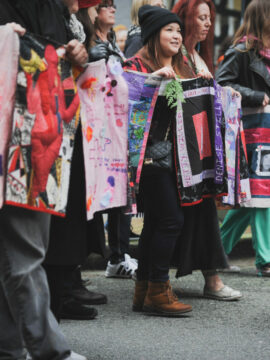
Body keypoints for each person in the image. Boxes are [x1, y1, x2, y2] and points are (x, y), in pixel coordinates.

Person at [0, 0, 89, 359]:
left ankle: (10, 345)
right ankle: (50, 350)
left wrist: (79, 55)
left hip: (38, 143)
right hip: (20, 141)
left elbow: (72, 70)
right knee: (24, 254)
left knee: (17, 254)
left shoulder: (53, 9)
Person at [124, 5, 198, 317]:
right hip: (145, 161)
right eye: (170, 30)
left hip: (172, 161)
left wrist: (203, 84)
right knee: (171, 220)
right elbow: (121, 97)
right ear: (154, 35)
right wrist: (151, 79)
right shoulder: (135, 65)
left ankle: (143, 289)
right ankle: (158, 288)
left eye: (179, 31)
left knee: (156, 221)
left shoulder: (183, 67)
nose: (177, 36)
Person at [167, 0, 243, 299]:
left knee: (199, 212)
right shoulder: (177, 53)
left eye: (209, 17)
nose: (208, 23)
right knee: (179, 215)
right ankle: (165, 280)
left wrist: (226, 93)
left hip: (199, 152)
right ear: (186, 19)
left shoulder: (196, 54)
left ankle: (205, 279)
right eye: (201, 17)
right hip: (180, 153)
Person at [44, 0, 108, 323]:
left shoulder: (72, 20)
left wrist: (80, 58)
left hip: (73, 123)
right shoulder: (45, 13)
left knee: (69, 213)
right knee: (52, 218)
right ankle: (51, 304)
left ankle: (62, 294)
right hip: (48, 124)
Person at [216, 0, 270, 277]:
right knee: (261, 194)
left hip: (266, 128)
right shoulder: (241, 51)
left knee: (252, 197)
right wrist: (255, 96)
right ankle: (266, 259)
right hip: (253, 128)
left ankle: (216, 251)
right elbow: (222, 82)